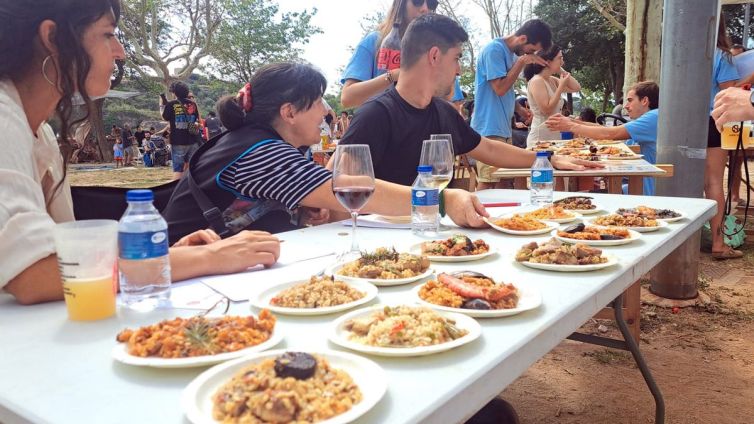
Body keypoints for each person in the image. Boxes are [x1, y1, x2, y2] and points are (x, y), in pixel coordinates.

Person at [0, 0, 282, 305]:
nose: (120, 51)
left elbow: (61, 259)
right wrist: (207, 257)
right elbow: (34, 274)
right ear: (52, 38)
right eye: (108, 34)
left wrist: (169, 255)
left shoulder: (39, 132)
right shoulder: (5, 120)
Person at [163, 62, 489, 244]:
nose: (325, 113)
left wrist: (300, 212)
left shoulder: (270, 145)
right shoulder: (258, 152)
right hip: (183, 282)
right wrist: (443, 201)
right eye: (318, 102)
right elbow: (347, 189)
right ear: (289, 112)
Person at [337, 14, 600, 189]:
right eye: (457, 58)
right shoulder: (375, 115)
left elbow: (490, 149)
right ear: (434, 56)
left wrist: (547, 159)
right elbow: (338, 181)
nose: (460, 70)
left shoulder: (443, 112)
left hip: (437, 240)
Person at [471, 19, 552, 190]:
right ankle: (472, 214)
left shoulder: (511, 55)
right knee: (488, 180)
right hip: (489, 128)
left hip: (503, 128)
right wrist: (522, 62)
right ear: (522, 38)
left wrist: (519, 109)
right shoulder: (494, 50)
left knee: (504, 180)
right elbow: (499, 87)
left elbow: (504, 90)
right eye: (531, 50)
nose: (530, 55)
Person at [339, 0, 464, 109]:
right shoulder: (375, 41)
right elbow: (347, 98)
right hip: (382, 128)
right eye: (417, 1)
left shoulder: (440, 49)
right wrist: (392, 76)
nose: (425, 8)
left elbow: (452, 101)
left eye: (431, 2)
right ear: (401, 4)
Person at [547, 81, 660, 196]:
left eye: (630, 100)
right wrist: (571, 121)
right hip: (637, 184)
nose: (626, 106)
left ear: (644, 101)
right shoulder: (649, 118)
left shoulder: (653, 117)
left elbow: (610, 134)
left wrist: (571, 126)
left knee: (578, 197)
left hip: (645, 192)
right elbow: (605, 129)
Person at [704, 19, 741, 260]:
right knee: (714, 181)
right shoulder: (722, 57)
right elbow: (728, 95)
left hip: (679, 122)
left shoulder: (680, 55)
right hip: (712, 121)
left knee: (687, 181)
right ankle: (718, 242)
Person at [524, 45, 581, 148]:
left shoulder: (551, 80)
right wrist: (561, 87)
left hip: (554, 136)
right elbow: (546, 109)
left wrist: (560, 70)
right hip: (539, 138)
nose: (562, 61)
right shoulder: (537, 81)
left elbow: (576, 87)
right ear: (548, 62)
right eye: (559, 58)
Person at [162, 80, 201, 180]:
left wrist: (162, 105)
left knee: (178, 170)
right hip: (193, 140)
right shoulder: (193, 104)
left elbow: (165, 118)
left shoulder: (171, 104)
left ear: (174, 92)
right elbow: (196, 119)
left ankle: (174, 192)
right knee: (189, 168)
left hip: (178, 141)